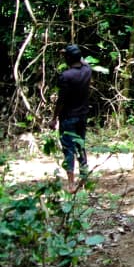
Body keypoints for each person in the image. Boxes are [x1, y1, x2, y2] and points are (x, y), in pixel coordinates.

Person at [52, 44, 92, 190]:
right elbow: (84, 62)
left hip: (68, 118)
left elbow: (61, 100)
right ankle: (84, 179)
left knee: (68, 149)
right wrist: (72, 54)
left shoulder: (65, 76)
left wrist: (54, 118)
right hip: (82, 117)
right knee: (80, 146)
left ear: (68, 59)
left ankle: (71, 183)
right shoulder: (87, 71)